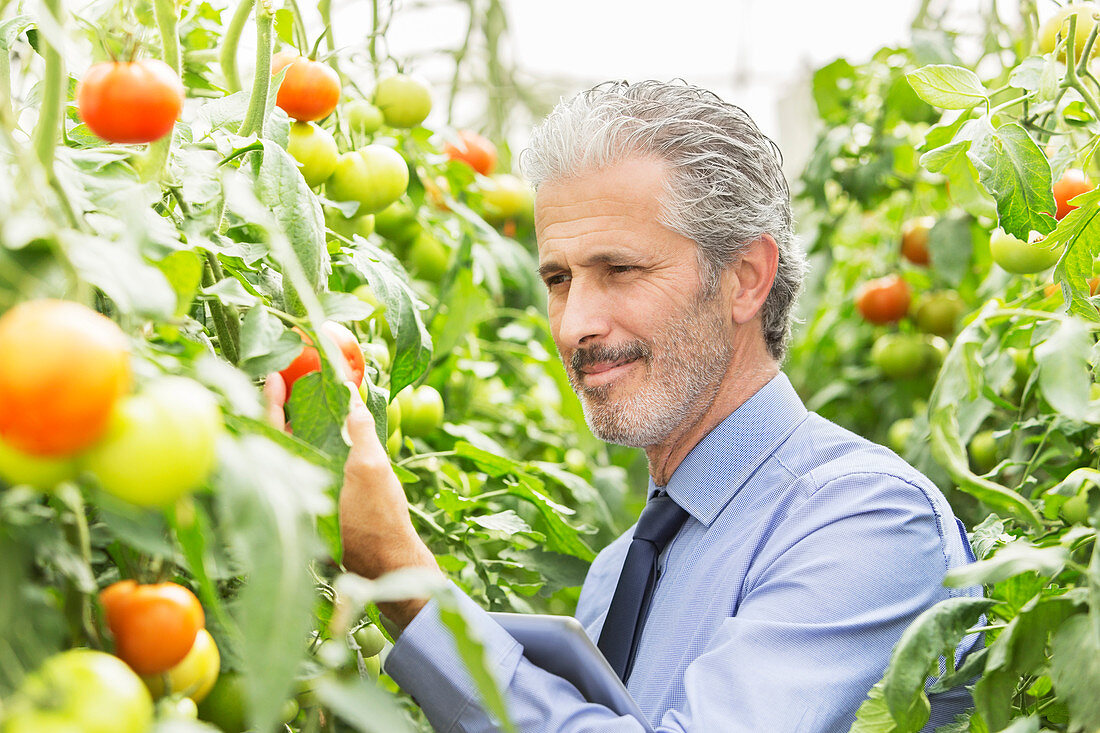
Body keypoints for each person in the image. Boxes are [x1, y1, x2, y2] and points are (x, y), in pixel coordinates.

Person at [333, 80, 981, 732]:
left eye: (620, 269)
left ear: (745, 278)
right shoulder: (617, 576)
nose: (574, 323)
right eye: (558, 279)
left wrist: (409, 586)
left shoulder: (866, 520)